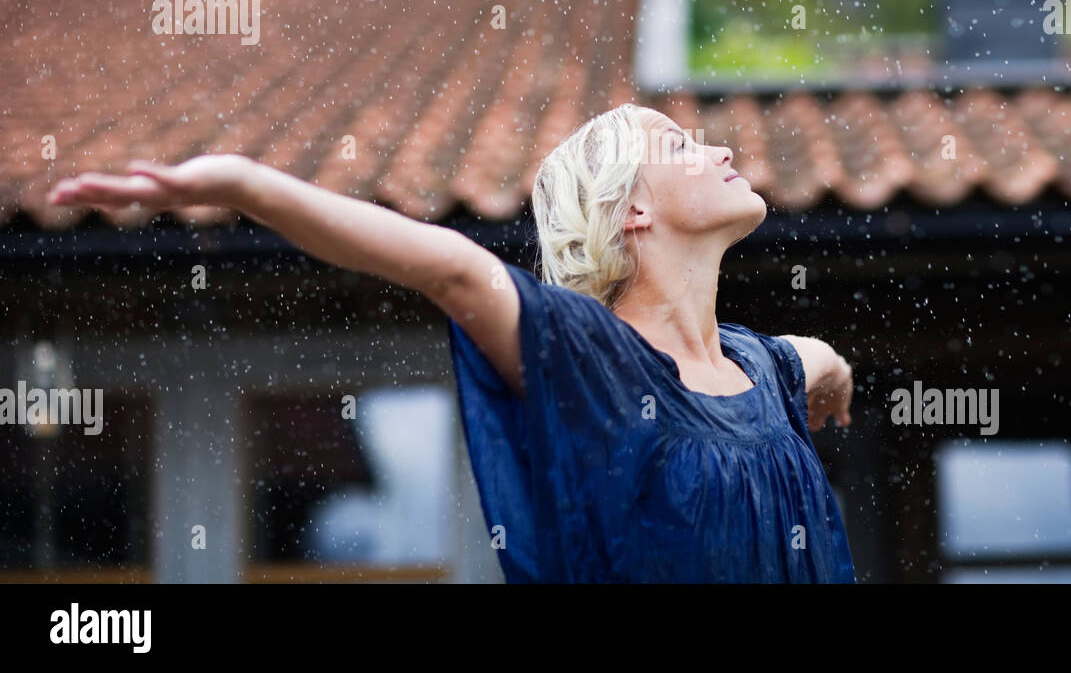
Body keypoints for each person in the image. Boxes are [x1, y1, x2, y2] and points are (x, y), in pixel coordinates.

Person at [46, 102, 857, 582]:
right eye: (679, 145)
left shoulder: (764, 366)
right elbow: (454, 271)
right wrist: (245, 185)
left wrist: (836, 384)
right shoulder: (594, 363)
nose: (720, 148)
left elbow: (820, 360)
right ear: (630, 212)